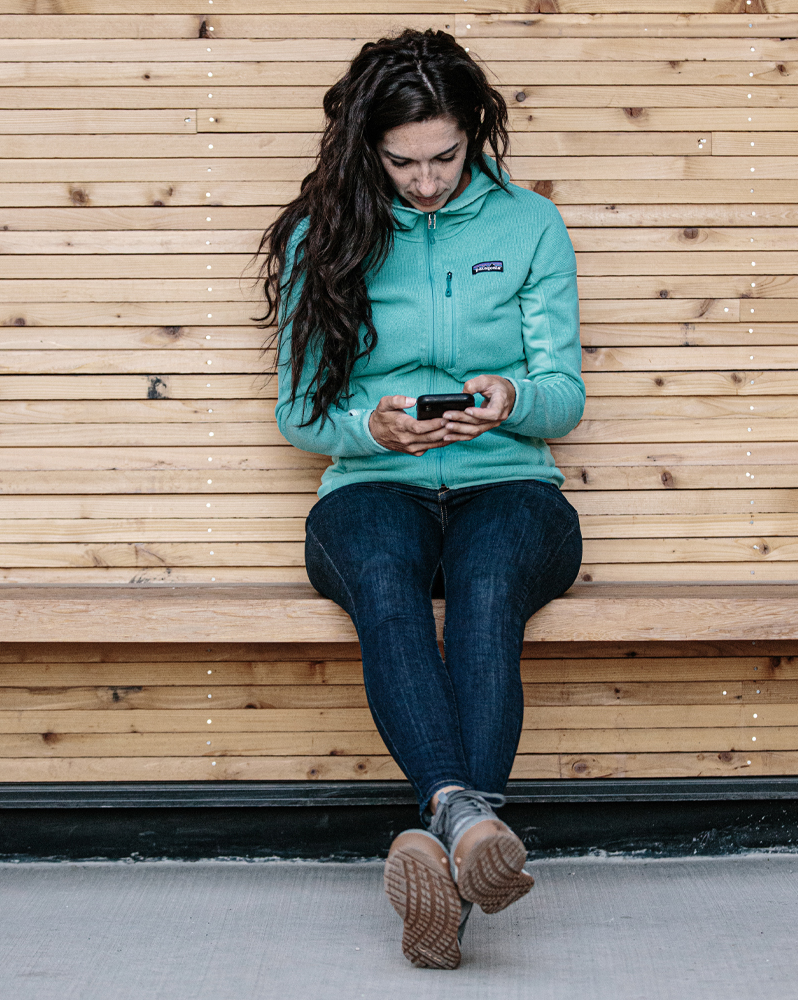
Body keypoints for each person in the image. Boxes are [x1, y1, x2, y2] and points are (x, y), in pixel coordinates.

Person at [253, 28, 584, 970]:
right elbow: (300, 412)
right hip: (374, 488)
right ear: (369, 147)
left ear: (473, 132)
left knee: (486, 584)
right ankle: (466, 824)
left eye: (445, 157)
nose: (427, 181)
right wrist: (375, 430)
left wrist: (514, 399)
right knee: (387, 579)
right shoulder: (330, 232)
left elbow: (566, 393)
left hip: (510, 485)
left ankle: (438, 834)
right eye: (403, 162)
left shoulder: (529, 226)